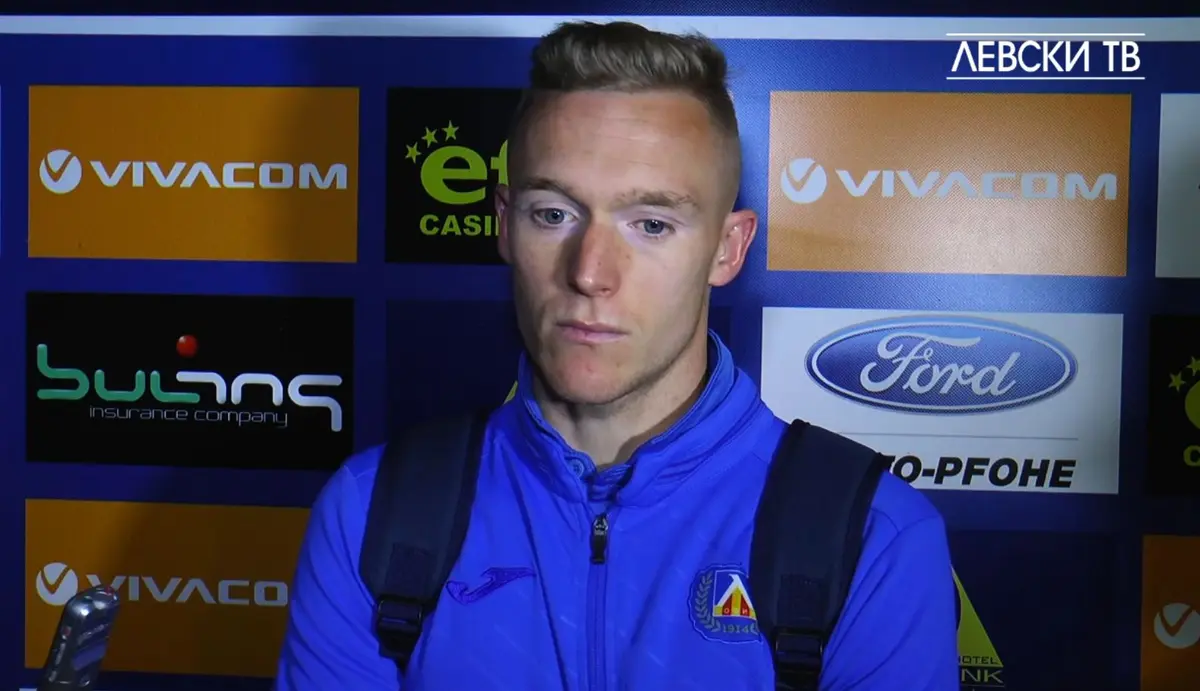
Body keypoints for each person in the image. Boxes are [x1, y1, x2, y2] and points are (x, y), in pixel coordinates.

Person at [275, 20, 958, 690]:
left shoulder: (873, 538)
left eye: (651, 224)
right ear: (504, 223)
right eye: (554, 214)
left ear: (728, 249)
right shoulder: (371, 512)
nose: (591, 273)